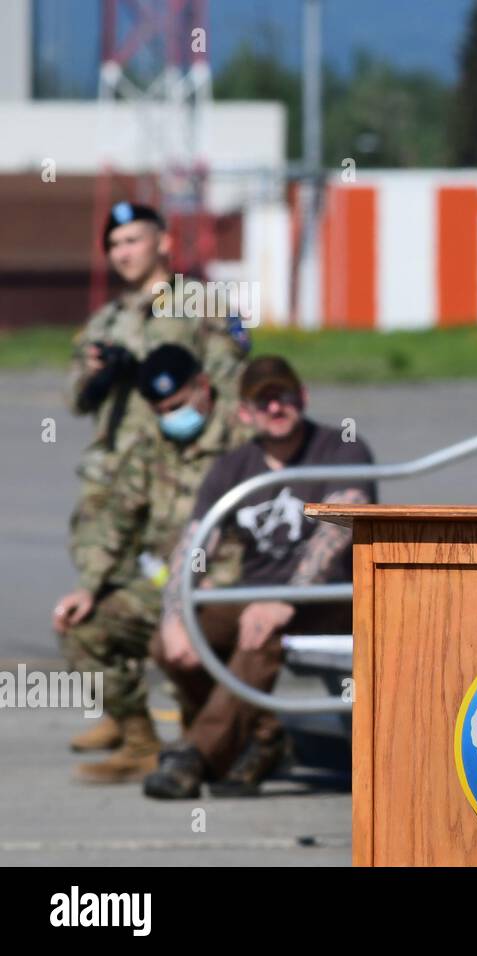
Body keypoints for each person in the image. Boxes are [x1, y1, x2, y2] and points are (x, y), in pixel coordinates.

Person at [143, 356, 377, 799]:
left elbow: (336, 534)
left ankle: (194, 756)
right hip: (257, 596)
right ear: (244, 412)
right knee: (172, 643)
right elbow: (194, 546)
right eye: (262, 400)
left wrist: (285, 600)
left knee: (261, 635)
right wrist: (177, 614)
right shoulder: (234, 467)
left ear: (302, 397)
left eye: (283, 396)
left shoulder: (341, 447)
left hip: (334, 598)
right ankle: (262, 737)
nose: (275, 407)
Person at [51, 344, 249, 782]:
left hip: (229, 587)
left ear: (202, 386)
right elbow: (118, 517)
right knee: (84, 627)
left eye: (177, 406)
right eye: (159, 410)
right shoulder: (153, 445)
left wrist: (217, 586)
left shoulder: (240, 441)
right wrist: (88, 585)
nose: (170, 418)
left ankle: (212, 739)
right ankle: (139, 742)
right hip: (165, 587)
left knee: (188, 642)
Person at [66, 203, 248, 595]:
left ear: (163, 242)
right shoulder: (105, 321)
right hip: (114, 471)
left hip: (178, 470)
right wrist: (96, 374)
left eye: (133, 240)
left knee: (186, 585)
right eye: (114, 245)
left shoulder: (202, 303)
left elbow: (230, 383)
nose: (123, 253)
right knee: (106, 590)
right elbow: (74, 399)